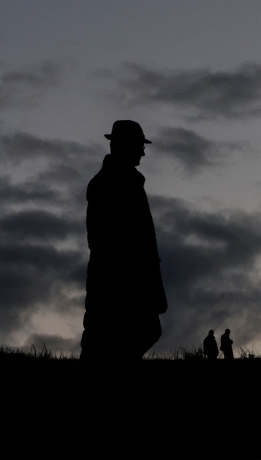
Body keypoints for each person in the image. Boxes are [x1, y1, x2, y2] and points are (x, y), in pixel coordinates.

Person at [81, 120, 167, 361]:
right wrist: (129, 270)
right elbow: (103, 237)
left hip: (128, 276)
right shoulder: (110, 182)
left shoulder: (126, 181)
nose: (143, 151)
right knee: (108, 337)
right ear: (125, 145)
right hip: (117, 277)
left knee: (135, 331)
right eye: (139, 145)